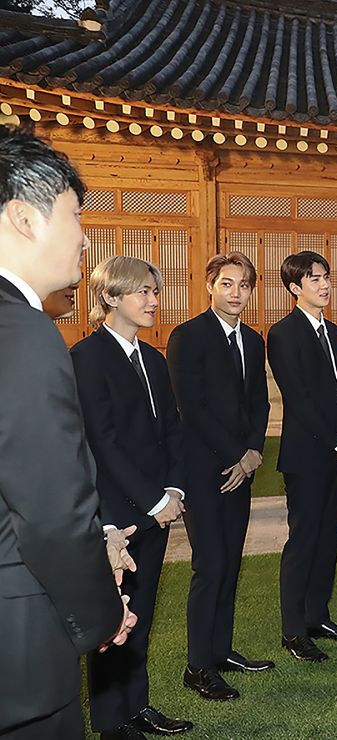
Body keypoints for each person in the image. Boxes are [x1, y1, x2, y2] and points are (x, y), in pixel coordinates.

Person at [0, 127, 130, 739]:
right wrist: (103, 614)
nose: (84, 235)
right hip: (18, 650)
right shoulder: (23, 333)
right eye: (75, 214)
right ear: (24, 218)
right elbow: (50, 511)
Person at [72, 255, 194, 739]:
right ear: (110, 296)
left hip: (154, 507)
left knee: (140, 617)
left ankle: (137, 706)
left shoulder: (154, 359)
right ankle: (111, 723)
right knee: (112, 621)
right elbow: (102, 442)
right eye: (143, 291)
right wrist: (153, 499)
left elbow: (172, 430)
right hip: (115, 515)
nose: (153, 301)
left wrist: (175, 488)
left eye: (154, 291)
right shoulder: (86, 357)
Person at [167, 252, 273, 702]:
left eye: (244, 285)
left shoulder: (252, 339)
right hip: (203, 471)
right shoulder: (187, 337)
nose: (236, 293)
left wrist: (252, 454)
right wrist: (236, 456)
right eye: (227, 284)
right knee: (209, 565)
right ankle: (197, 667)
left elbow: (260, 403)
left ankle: (221, 651)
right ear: (210, 285)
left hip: (240, 470)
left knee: (230, 564)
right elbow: (192, 408)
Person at [267, 251, 337, 662]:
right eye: (315, 279)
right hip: (307, 455)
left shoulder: (336, 333)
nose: (324, 285)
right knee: (304, 542)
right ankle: (293, 631)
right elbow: (299, 398)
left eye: (326, 277)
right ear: (294, 288)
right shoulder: (283, 334)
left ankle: (317, 616)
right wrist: (334, 439)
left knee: (328, 540)